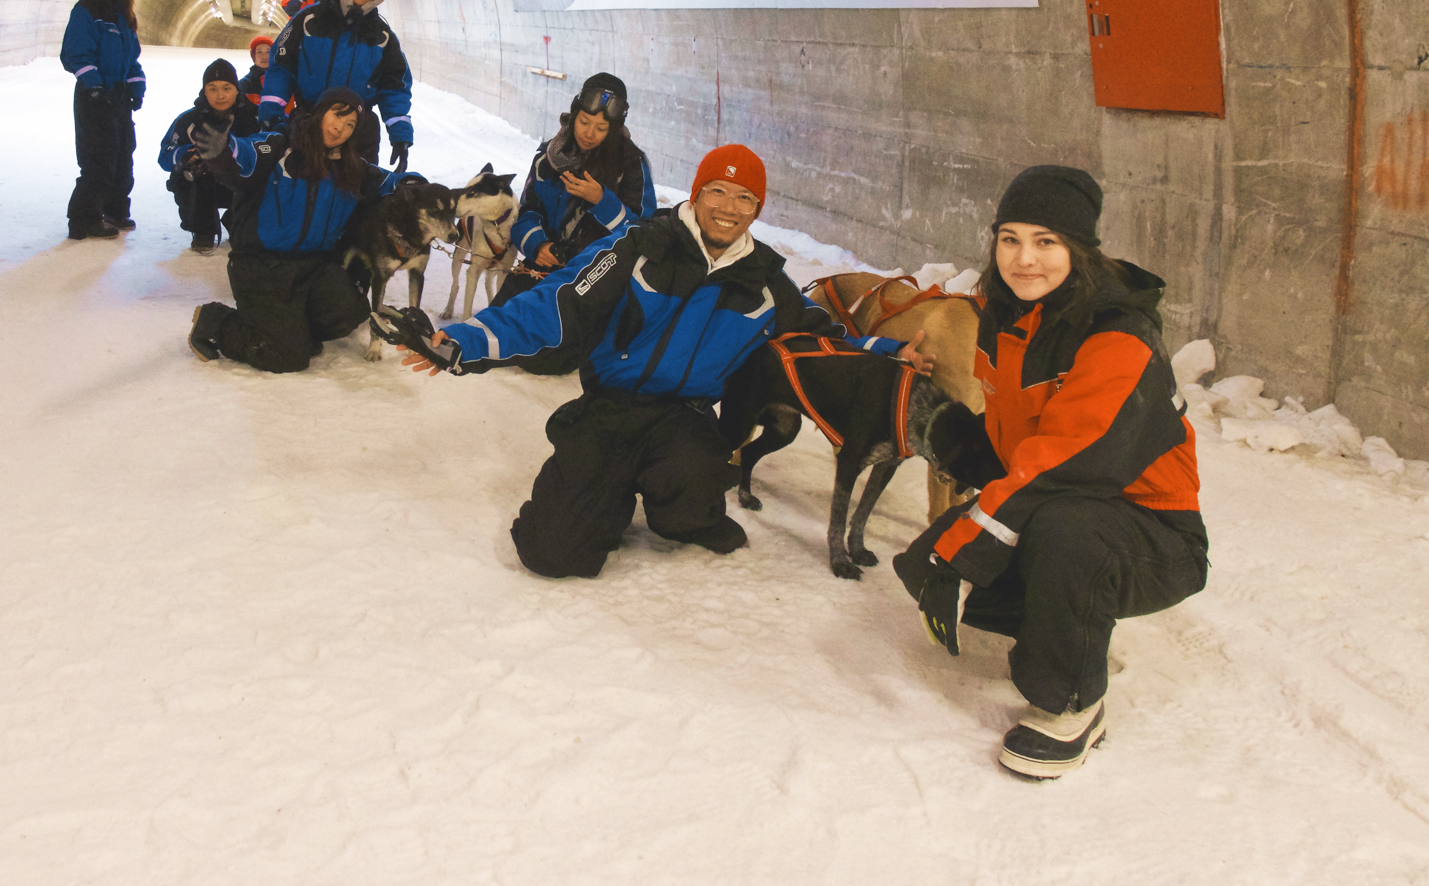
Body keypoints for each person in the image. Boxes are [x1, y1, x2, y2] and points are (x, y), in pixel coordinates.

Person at [387, 145, 932, 579]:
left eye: (744, 197)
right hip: (611, 408)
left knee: (690, 497)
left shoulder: (764, 280)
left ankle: (681, 507)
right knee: (552, 554)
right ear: (696, 194)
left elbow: (821, 338)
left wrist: (888, 351)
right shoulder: (639, 246)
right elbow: (554, 306)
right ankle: (603, 491)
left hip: (685, 418)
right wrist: (462, 343)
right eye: (717, 190)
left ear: (757, 209)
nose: (728, 206)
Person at [893, 165, 1208, 779]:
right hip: (1065, 502)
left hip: (1152, 534)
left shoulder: (1118, 334)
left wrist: (967, 547)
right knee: (921, 567)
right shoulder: (1006, 317)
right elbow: (1017, 437)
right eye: (1009, 239)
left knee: (1061, 535)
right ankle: (1065, 619)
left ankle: (1072, 703)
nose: (1023, 259)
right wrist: (949, 436)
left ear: (1079, 250)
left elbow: (1061, 462)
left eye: (1046, 242)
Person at [186, 86, 420, 373]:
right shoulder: (280, 145)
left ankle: (291, 330)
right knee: (288, 358)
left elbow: (389, 182)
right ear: (320, 112)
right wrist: (223, 151)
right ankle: (216, 321)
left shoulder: (349, 167)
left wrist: (415, 186)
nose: (341, 128)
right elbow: (248, 153)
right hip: (261, 267)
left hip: (312, 267)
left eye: (350, 125)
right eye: (338, 115)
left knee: (350, 311)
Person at [491, 72, 657, 345]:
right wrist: (538, 246)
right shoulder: (549, 157)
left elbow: (645, 234)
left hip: (595, 280)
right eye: (584, 122)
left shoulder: (631, 165)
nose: (589, 134)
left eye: (601, 128)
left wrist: (603, 202)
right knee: (496, 332)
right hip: (542, 269)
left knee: (544, 356)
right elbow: (529, 211)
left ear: (613, 129)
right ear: (574, 114)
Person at [259, 0, 414, 170]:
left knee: (353, 200)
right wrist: (270, 115)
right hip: (307, 125)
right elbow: (282, 67)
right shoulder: (308, 20)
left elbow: (395, 86)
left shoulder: (382, 37)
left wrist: (400, 133)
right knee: (303, 195)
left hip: (357, 135)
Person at [59, 0, 146, 239]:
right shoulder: (87, 10)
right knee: (98, 158)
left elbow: (131, 58)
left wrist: (136, 86)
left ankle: (116, 210)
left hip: (118, 96)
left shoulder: (123, 15)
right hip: (94, 95)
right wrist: (94, 87)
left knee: (123, 154)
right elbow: (76, 54)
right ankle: (84, 219)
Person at [158, 59, 260, 252]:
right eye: (212, 89)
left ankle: (238, 222)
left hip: (239, 183)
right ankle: (203, 230)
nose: (220, 95)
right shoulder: (188, 120)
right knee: (183, 176)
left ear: (237, 89)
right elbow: (165, 155)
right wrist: (186, 155)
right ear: (204, 91)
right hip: (206, 184)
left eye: (226, 88)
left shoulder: (253, 118)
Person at [238, 35, 275, 105]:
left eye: (268, 52)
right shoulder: (243, 85)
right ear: (253, 56)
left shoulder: (285, 81)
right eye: (259, 52)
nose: (264, 56)